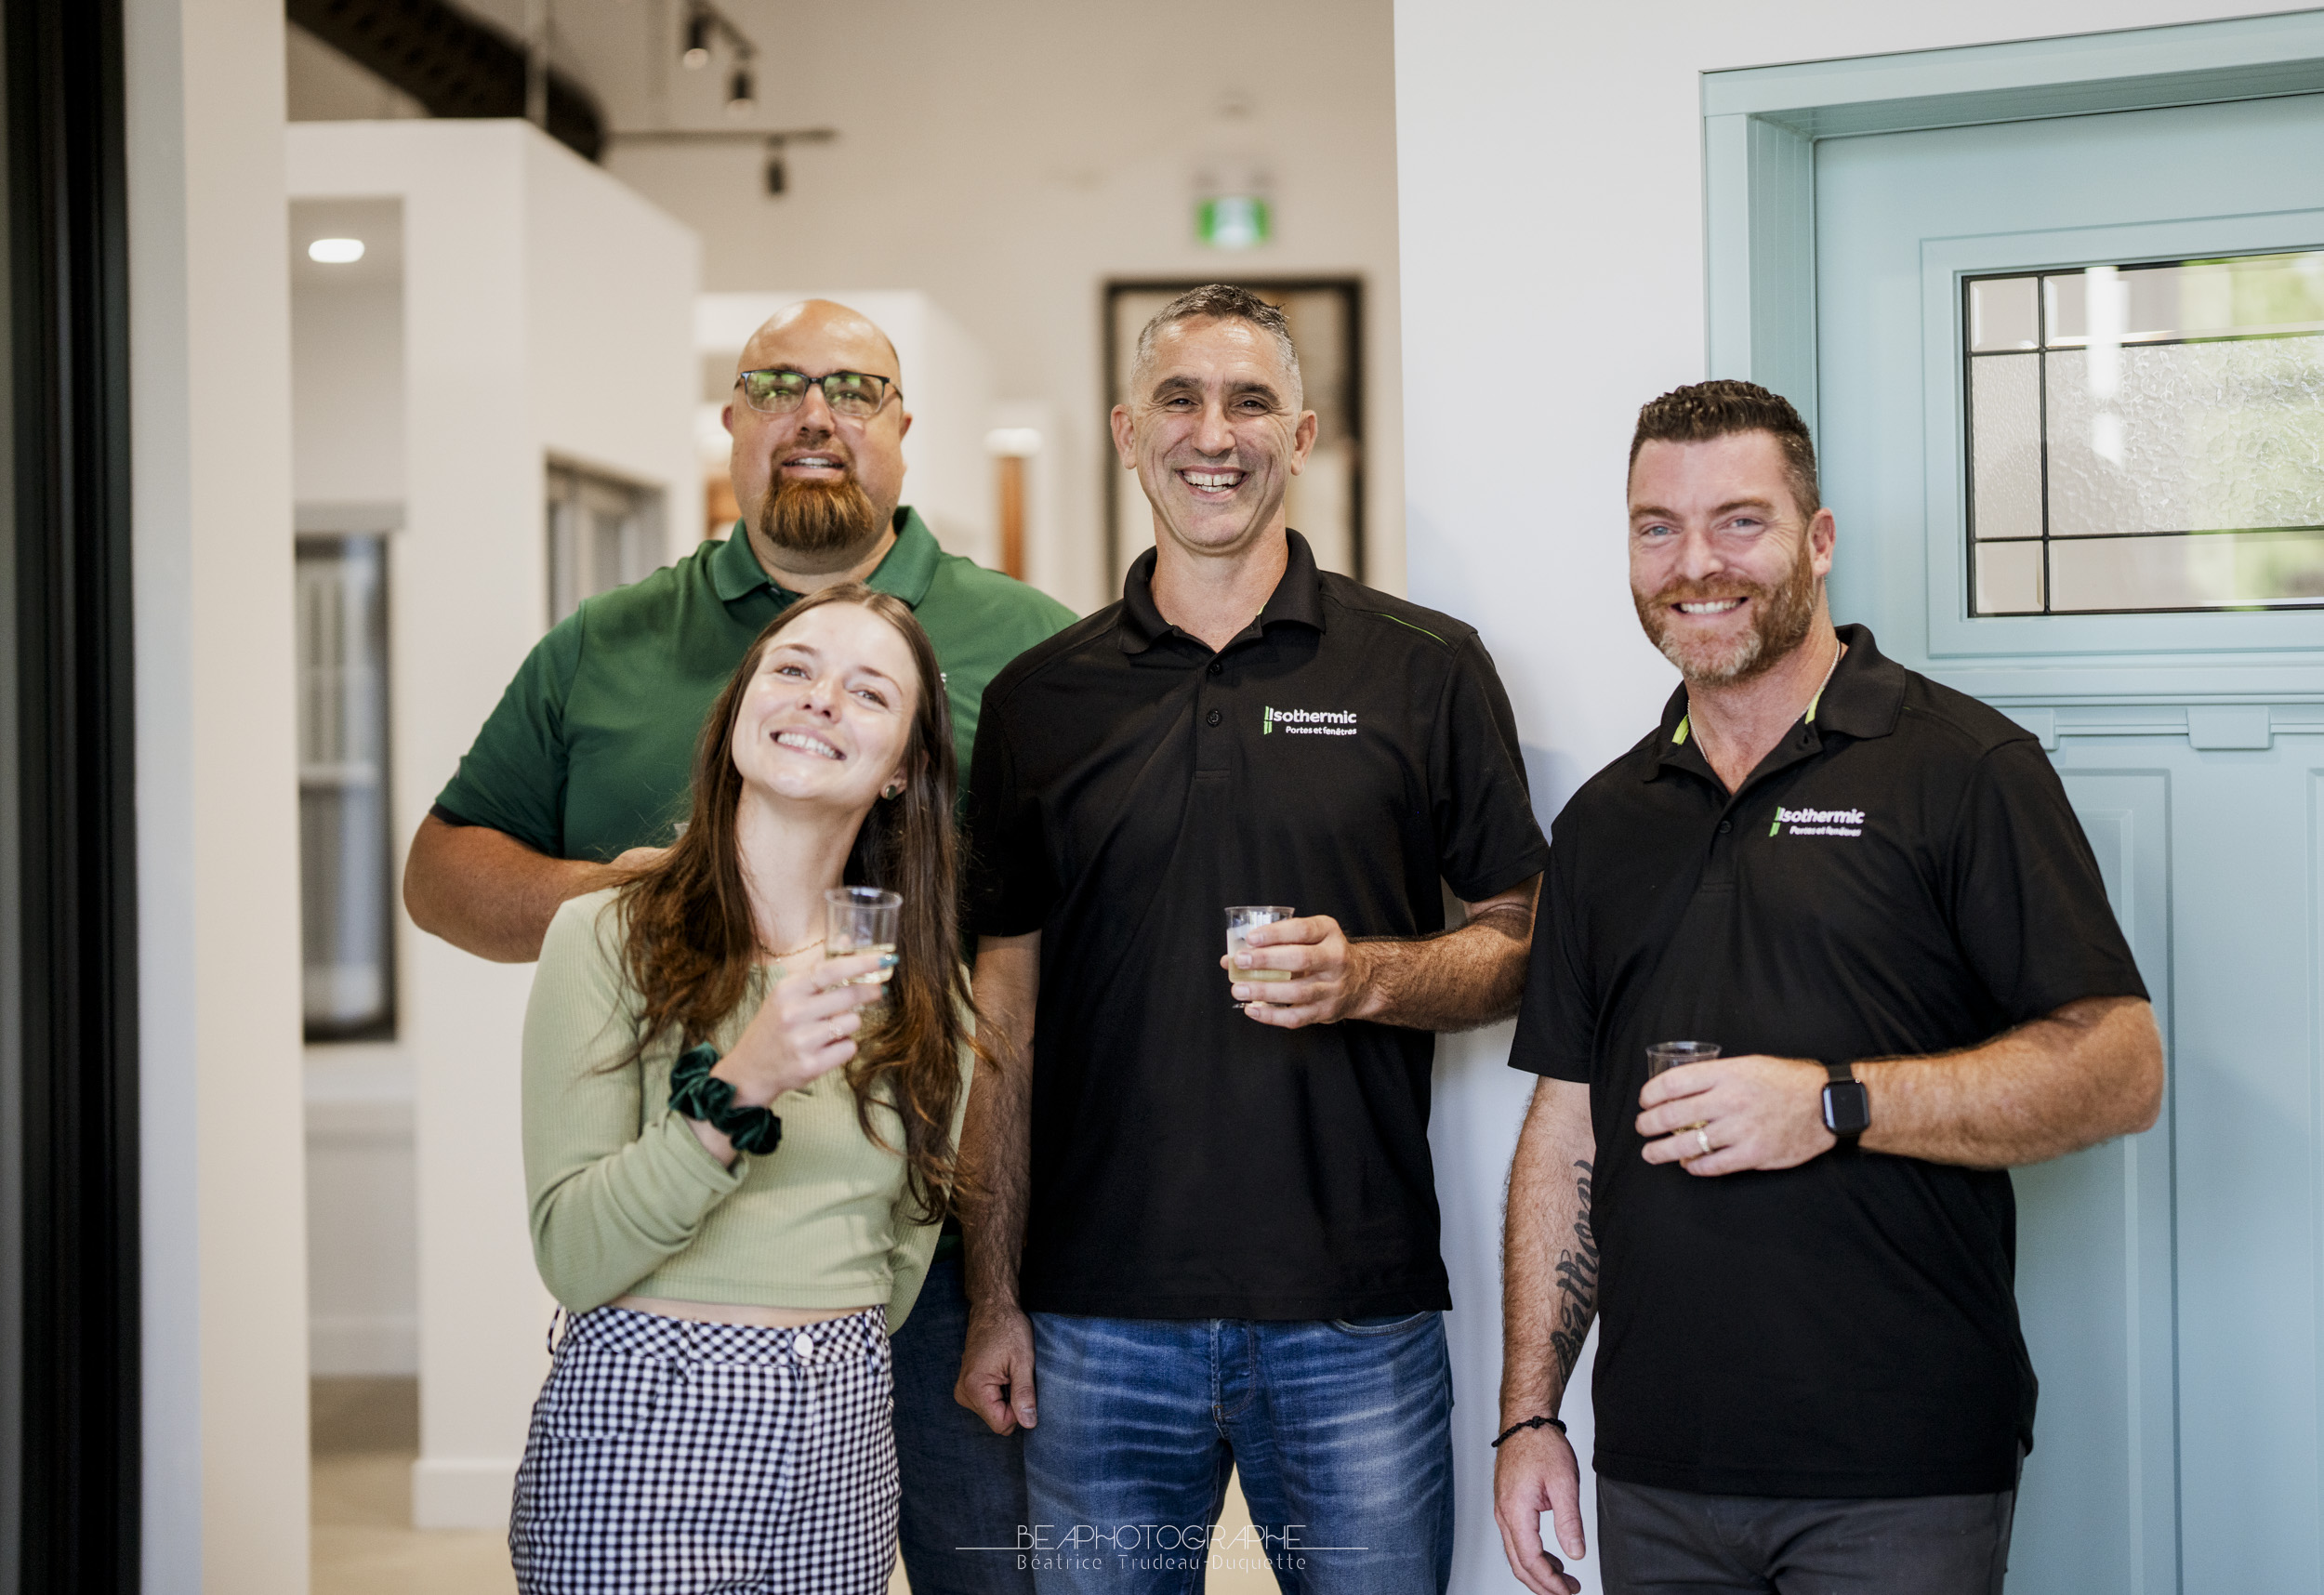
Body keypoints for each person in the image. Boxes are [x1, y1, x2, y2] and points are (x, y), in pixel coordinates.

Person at [408, 299, 1074, 1591]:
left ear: (904, 429)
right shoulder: (608, 644)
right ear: (731, 423)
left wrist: (989, 1273)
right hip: (659, 1290)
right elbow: (442, 876)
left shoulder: (1029, 646)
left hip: (919, 1245)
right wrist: (658, 910)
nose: (815, 414)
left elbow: (1055, 945)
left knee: (983, 1568)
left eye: (854, 389)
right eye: (777, 384)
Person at [1493, 380, 2164, 1595]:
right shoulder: (1605, 821)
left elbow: (2120, 1070)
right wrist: (1530, 1415)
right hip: (1656, 1469)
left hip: (1898, 1471)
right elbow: (1566, 1127)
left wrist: (1836, 1104)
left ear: (1819, 539)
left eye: (1739, 522)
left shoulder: (1964, 770)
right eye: (1658, 527)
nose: (1696, 563)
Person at [956, 283, 1549, 1594]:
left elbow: (1521, 935)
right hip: (1096, 1319)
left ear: (1304, 433)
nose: (1211, 432)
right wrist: (994, 1298)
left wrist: (1371, 975)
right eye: (1179, 398)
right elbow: (1004, 1025)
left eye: (1249, 401)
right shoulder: (1041, 700)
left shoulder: (1425, 668)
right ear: (1125, 430)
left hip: (1354, 1315)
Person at [509, 585, 976, 1593]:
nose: (818, 701)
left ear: (905, 770)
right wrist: (743, 1083)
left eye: (868, 693)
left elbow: (903, 1246)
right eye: (795, 669)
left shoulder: (931, 988)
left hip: (845, 1430)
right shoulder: (602, 937)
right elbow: (575, 1254)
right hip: (642, 1426)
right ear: (739, 711)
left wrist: (820, 1339)